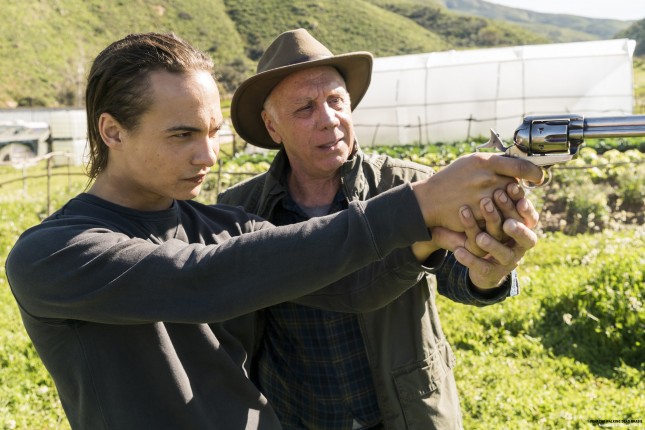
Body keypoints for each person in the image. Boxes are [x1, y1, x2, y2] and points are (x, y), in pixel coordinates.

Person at [5, 33, 543, 429]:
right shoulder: (53, 253)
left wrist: (429, 239)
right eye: (183, 135)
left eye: (213, 133)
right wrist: (418, 205)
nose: (208, 156)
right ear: (112, 131)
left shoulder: (226, 223)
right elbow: (202, 280)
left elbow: (350, 286)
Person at [218, 28, 540, 430]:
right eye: (304, 108)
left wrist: (488, 274)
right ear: (272, 126)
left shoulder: (411, 186)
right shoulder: (240, 210)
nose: (329, 119)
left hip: (406, 412)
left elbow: (459, 272)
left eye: (336, 100)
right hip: (297, 415)